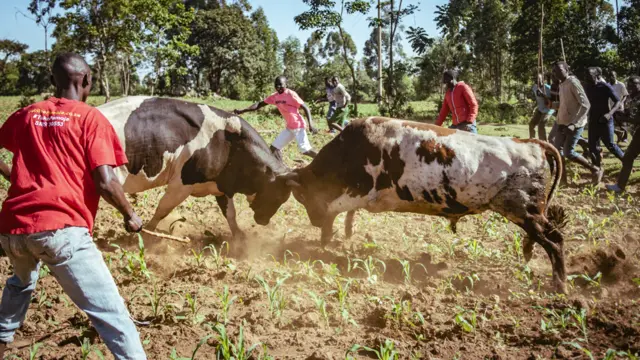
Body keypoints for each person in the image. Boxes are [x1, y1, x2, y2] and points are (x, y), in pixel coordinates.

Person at [0, 53, 146, 359]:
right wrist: (130, 214)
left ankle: (3, 336)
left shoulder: (27, 113)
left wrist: (14, 175)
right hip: (60, 231)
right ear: (88, 82)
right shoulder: (91, 119)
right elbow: (105, 182)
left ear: (54, 81)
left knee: (21, 282)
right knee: (114, 316)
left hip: (13, 231)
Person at [234, 76, 318, 160]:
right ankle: (280, 168)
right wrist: (243, 110)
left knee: (305, 150)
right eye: (276, 85)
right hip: (289, 128)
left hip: (298, 126)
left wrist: (311, 124)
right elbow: (259, 104)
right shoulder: (274, 96)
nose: (278, 87)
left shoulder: (291, 94)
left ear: (285, 84)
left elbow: (305, 107)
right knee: (274, 149)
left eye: (280, 84)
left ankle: (323, 160)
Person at [552, 61, 603, 184]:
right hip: (562, 122)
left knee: (568, 152)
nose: (556, 73)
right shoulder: (561, 84)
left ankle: (595, 169)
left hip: (575, 123)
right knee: (557, 151)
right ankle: (562, 180)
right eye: (554, 71)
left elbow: (586, 104)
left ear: (567, 70)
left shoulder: (573, 83)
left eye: (559, 70)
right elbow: (566, 104)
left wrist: (574, 124)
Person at [584, 67, 624, 169]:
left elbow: (618, 101)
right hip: (593, 121)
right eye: (586, 77)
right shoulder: (587, 87)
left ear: (596, 76)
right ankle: (597, 169)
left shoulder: (605, 87)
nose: (587, 78)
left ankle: (626, 162)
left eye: (590, 76)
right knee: (592, 147)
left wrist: (609, 114)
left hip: (605, 120)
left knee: (610, 145)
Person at [606, 75, 640, 193]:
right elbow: (629, 113)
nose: (631, 87)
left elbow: (636, 119)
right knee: (628, 157)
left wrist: (625, 119)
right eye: (629, 84)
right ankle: (620, 186)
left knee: (628, 157)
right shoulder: (631, 98)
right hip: (636, 132)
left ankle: (620, 186)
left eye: (634, 84)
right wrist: (620, 113)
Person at [606, 70, 630, 143]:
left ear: (616, 76)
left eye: (613, 75)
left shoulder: (620, 84)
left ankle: (625, 137)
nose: (611, 77)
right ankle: (617, 134)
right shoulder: (607, 85)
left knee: (622, 123)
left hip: (619, 107)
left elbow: (625, 95)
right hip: (610, 107)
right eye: (610, 76)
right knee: (609, 123)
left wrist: (621, 103)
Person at [530, 73, 555, 141]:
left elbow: (551, 101)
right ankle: (532, 141)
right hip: (540, 109)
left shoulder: (547, 88)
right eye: (535, 79)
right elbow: (537, 99)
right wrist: (534, 107)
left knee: (541, 125)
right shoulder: (534, 87)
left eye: (538, 79)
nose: (536, 80)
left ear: (543, 80)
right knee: (532, 124)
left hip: (548, 109)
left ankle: (544, 144)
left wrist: (544, 96)